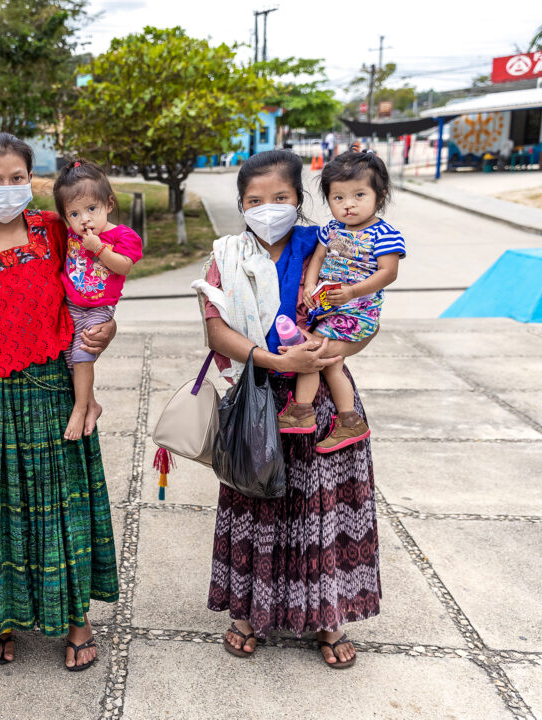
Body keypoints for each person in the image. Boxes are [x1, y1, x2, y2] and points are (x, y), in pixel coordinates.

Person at [191, 149, 380, 669]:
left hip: (319, 396)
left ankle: (327, 615)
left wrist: (335, 352)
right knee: (255, 503)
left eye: (280, 197)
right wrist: (276, 357)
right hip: (257, 396)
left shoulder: (328, 243)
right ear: (240, 204)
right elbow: (215, 330)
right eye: (255, 199)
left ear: (299, 201)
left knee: (322, 507)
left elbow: (362, 310)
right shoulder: (225, 255)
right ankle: (247, 613)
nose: (268, 207)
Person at [0, 132, 119, 671]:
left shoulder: (54, 230)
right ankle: (3, 619)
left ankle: (76, 619)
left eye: (18, 178)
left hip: (54, 390)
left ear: (32, 181)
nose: (7, 188)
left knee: (65, 507)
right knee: (3, 513)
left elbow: (97, 287)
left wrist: (107, 328)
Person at [279, 151, 404, 452]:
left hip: (358, 311)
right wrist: (310, 285)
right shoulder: (331, 230)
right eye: (338, 198)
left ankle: (302, 411)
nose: (348, 204)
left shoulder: (384, 234)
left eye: (359, 195)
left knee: (312, 352)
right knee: (332, 365)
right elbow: (318, 259)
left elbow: (389, 273)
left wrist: (351, 292)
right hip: (329, 309)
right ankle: (349, 420)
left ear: (380, 195)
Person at [52, 159, 142, 439]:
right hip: (71, 307)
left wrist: (99, 248)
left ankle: (80, 409)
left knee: (83, 355)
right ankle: (92, 403)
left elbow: (124, 266)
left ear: (109, 205)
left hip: (99, 308)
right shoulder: (71, 234)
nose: (84, 220)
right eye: (74, 214)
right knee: (71, 360)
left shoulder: (123, 236)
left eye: (92, 209)